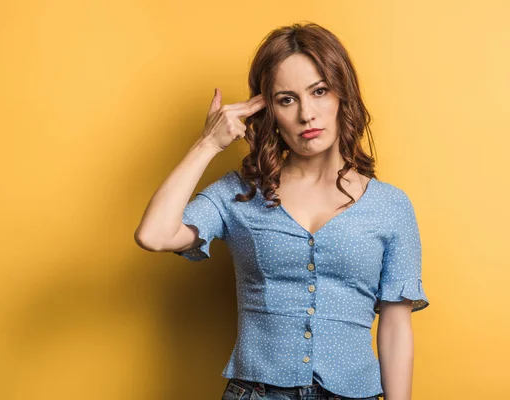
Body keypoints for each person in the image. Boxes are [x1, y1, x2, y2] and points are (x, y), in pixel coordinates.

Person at [134, 22, 429, 400]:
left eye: (319, 91)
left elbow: (395, 324)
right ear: (267, 109)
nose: (307, 114)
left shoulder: (391, 206)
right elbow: (153, 234)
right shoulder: (238, 193)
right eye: (287, 99)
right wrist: (208, 144)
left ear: (343, 95)